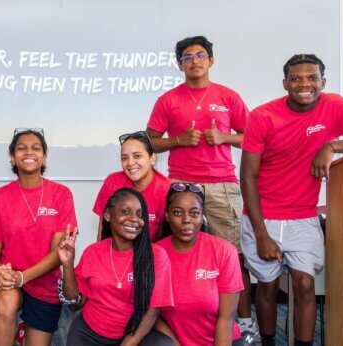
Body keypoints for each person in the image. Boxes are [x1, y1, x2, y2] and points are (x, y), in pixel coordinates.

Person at [240, 54, 343, 346]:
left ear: (323, 82)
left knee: (306, 284)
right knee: (268, 288)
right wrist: (261, 234)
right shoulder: (262, 116)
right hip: (263, 217)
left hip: (303, 217)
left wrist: (332, 145)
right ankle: (269, 342)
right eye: (296, 78)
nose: (304, 84)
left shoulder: (334, 105)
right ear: (285, 83)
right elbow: (247, 176)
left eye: (312, 78)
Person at [146, 35, 257, 341]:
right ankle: (174, 323)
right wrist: (178, 140)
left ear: (211, 60)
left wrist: (224, 138)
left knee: (233, 258)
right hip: (182, 186)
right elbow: (150, 141)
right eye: (186, 57)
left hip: (222, 185)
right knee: (175, 255)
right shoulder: (168, 100)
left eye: (199, 55)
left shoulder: (228, 96)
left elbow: (252, 137)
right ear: (178, 64)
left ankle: (244, 326)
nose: (194, 61)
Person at [0, 128, 78, 346]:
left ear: (44, 157)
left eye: (36, 148)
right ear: (12, 157)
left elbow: (57, 254)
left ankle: (21, 333)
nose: (28, 152)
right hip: (8, 280)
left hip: (44, 282)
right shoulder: (0, 197)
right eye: (21, 148)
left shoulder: (61, 194)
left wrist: (23, 277)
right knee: (7, 298)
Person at [60, 187, 174, 346]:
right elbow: (74, 303)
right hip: (89, 335)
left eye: (140, 215)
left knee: (163, 344)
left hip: (133, 335)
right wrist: (67, 264)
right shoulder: (93, 252)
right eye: (126, 211)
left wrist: (129, 343)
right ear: (107, 215)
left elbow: (153, 310)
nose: (134, 219)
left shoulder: (156, 256)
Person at [155, 183, 246, 345]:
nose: (186, 220)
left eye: (194, 213)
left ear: (202, 214)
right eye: (177, 213)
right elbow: (151, 315)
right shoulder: (154, 254)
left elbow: (227, 318)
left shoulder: (225, 251)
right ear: (167, 215)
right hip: (174, 341)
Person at [93, 131, 170, 241]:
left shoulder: (166, 189)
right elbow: (103, 231)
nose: (130, 163)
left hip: (151, 253)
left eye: (137, 156)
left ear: (152, 158)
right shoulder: (112, 182)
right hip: (116, 253)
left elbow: (167, 239)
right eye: (124, 158)